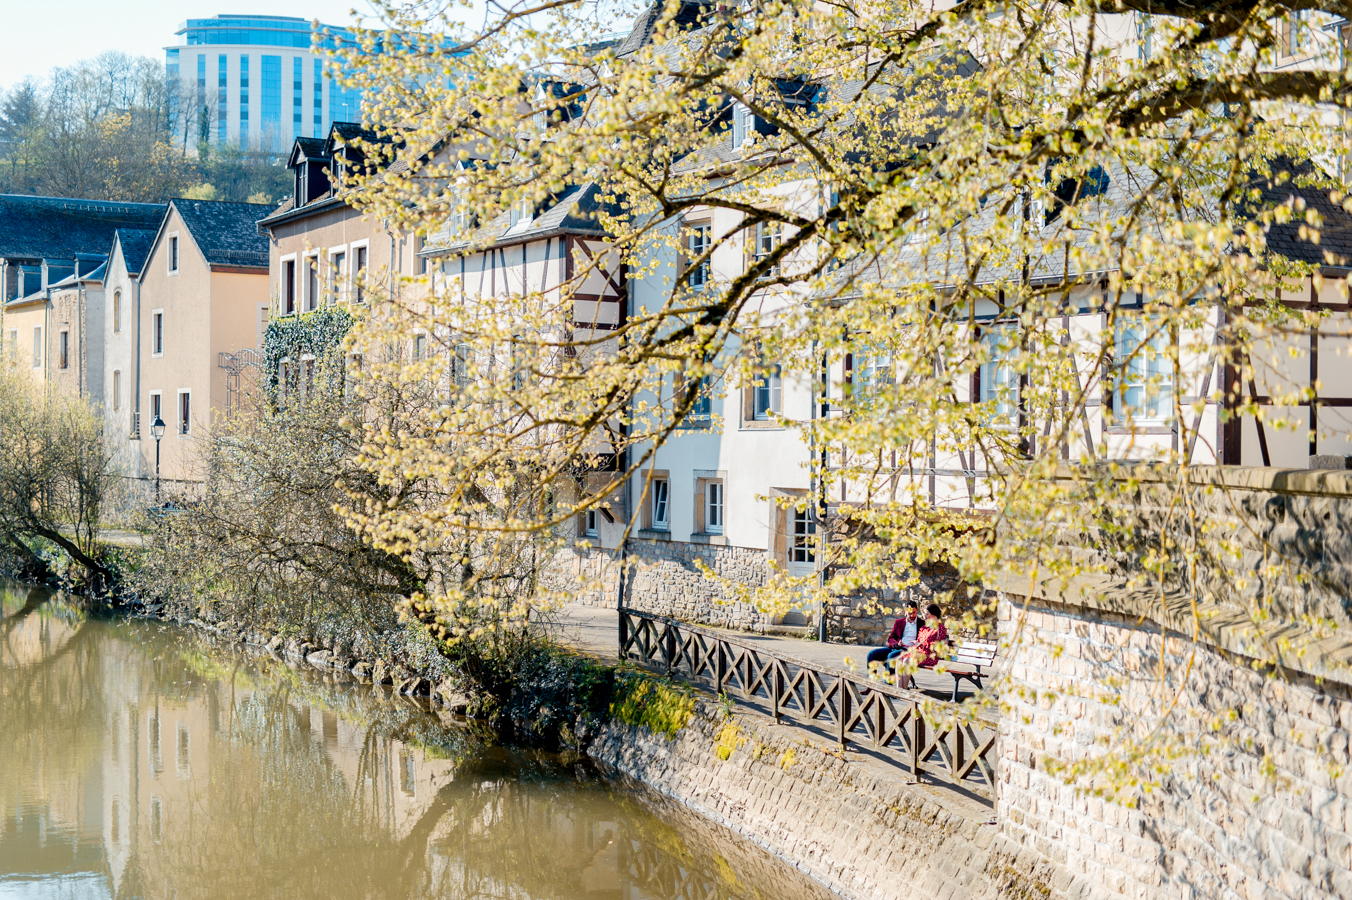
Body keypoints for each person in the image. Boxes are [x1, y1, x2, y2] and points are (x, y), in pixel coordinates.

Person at [896, 603, 949, 690]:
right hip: (919, 653)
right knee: (899, 658)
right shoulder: (924, 627)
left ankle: (904, 688)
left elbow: (935, 647)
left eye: (927, 614)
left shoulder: (940, 629)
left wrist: (921, 645)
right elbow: (919, 642)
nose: (925, 616)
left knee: (907, 660)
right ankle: (898, 688)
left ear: (934, 615)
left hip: (930, 655)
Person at [865, 601, 921, 676]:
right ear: (905, 611)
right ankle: (871, 682)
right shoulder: (899, 622)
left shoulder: (921, 624)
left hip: (907, 650)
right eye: (909, 613)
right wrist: (897, 644)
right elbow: (891, 638)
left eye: (914, 612)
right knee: (871, 654)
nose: (911, 615)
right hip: (896, 648)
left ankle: (888, 684)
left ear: (917, 610)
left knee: (891, 656)